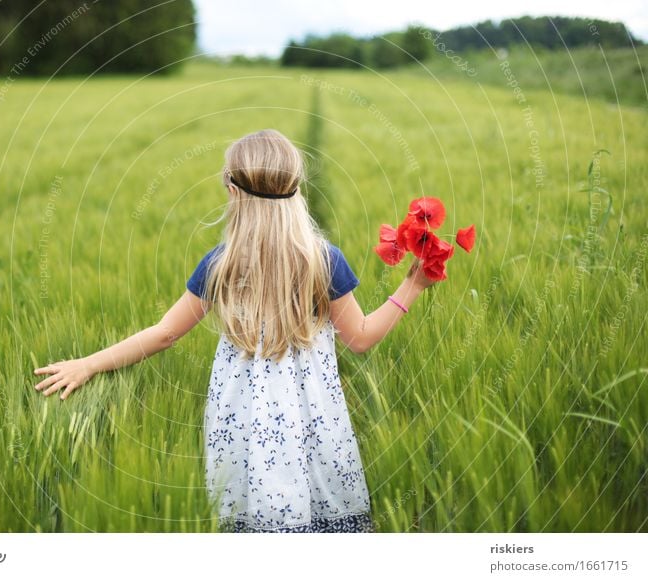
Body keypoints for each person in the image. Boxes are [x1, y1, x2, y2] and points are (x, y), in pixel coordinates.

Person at [33, 129, 438, 533]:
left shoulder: (221, 264)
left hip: (241, 418)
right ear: (297, 189)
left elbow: (164, 333)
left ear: (232, 191)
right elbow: (362, 337)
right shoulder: (323, 260)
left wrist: (88, 364)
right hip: (314, 416)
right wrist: (413, 285)